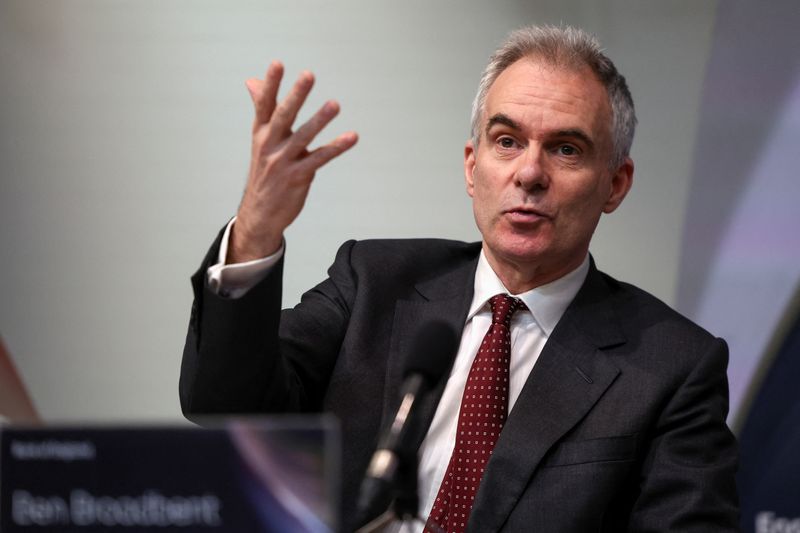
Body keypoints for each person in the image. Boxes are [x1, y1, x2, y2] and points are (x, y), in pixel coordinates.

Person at [180, 25, 739, 532]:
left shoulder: (672, 368)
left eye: (565, 149)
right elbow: (226, 406)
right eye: (507, 141)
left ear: (615, 184)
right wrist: (254, 232)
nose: (529, 173)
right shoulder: (374, 282)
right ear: (473, 167)